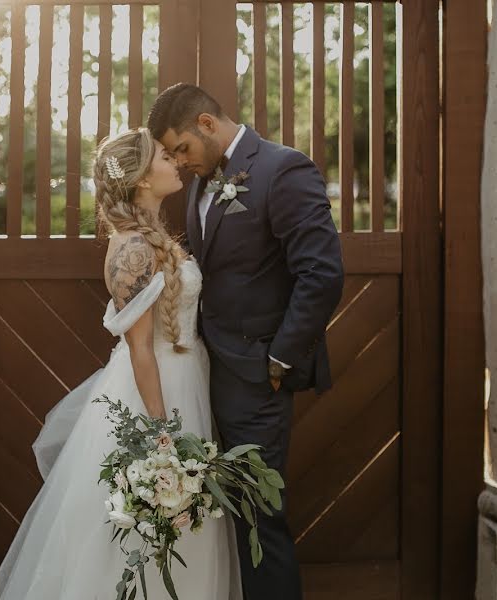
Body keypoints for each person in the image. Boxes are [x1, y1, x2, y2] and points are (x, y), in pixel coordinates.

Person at [0, 127, 242, 599]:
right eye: (165, 155)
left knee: (183, 528)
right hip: (156, 392)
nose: (176, 161)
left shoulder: (154, 235)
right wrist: (162, 434)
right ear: (143, 178)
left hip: (187, 377)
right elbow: (142, 348)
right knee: (145, 533)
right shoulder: (133, 249)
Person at [147, 83, 345, 600]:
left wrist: (278, 358)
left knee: (260, 521)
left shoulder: (284, 170)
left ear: (208, 125)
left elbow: (321, 274)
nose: (180, 162)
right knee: (228, 517)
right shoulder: (201, 181)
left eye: (182, 149)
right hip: (210, 374)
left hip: (259, 377)